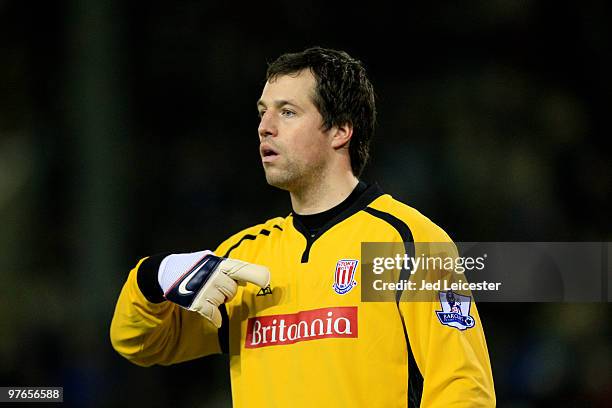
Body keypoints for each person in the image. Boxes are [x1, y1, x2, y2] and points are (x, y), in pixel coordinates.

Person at [110, 46, 495, 407]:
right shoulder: (245, 257)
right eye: (262, 112)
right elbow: (141, 344)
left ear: (341, 130)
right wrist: (153, 276)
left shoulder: (406, 242)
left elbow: (463, 388)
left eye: (287, 112)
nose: (265, 126)